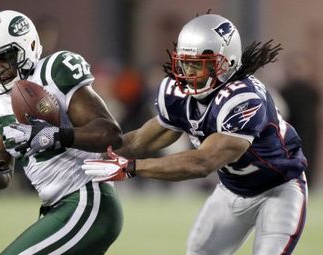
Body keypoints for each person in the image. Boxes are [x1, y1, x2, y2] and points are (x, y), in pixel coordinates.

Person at [82, 14, 308, 255]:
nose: (188, 71)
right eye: (185, 62)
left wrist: (130, 168)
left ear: (226, 63)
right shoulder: (177, 92)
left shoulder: (243, 98)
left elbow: (203, 162)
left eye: (199, 63)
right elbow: (140, 140)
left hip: (279, 190)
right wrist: (84, 153)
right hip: (231, 190)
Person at [0, 10, 123, 255]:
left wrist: (54, 135)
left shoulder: (54, 71)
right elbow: (3, 175)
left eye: (6, 57)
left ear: (29, 45)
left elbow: (111, 134)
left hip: (87, 199)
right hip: (54, 207)